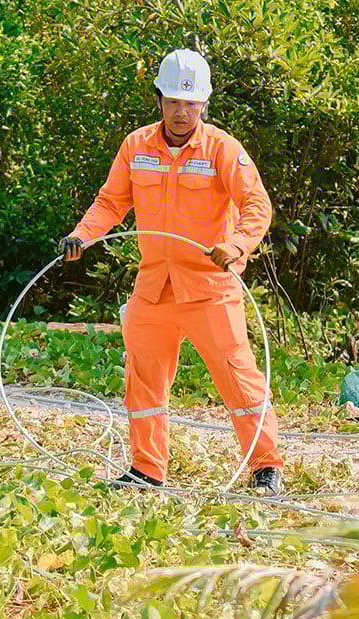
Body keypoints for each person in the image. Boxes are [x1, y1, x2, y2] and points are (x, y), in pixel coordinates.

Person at [61, 48, 283, 496]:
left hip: (209, 288)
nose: (182, 112)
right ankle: (147, 470)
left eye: (191, 103)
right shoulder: (136, 146)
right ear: (159, 100)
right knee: (142, 379)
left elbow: (257, 205)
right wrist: (82, 234)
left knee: (238, 378)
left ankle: (266, 467)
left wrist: (236, 244)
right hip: (154, 287)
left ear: (204, 104)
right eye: (173, 102)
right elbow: (111, 202)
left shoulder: (223, 149)